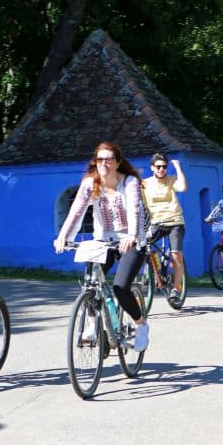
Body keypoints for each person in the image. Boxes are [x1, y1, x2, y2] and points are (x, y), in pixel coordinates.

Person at [54, 142, 149, 351]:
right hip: (103, 242)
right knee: (90, 283)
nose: (104, 163)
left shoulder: (129, 182)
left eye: (109, 159)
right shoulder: (90, 184)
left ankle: (140, 324)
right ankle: (92, 325)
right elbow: (76, 212)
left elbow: (134, 209)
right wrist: (63, 236)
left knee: (120, 287)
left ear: (117, 162)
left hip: (131, 240)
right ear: (95, 162)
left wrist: (131, 235)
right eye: (100, 159)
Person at [142, 153, 187, 300]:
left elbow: (183, 187)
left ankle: (175, 289)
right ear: (152, 167)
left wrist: (178, 168)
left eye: (164, 167)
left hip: (175, 222)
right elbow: (140, 205)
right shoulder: (145, 184)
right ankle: (154, 270)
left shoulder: (171, 180)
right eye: (158, 166)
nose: (161, 169)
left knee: (176, 255)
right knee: (143, 246)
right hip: (156, 223)